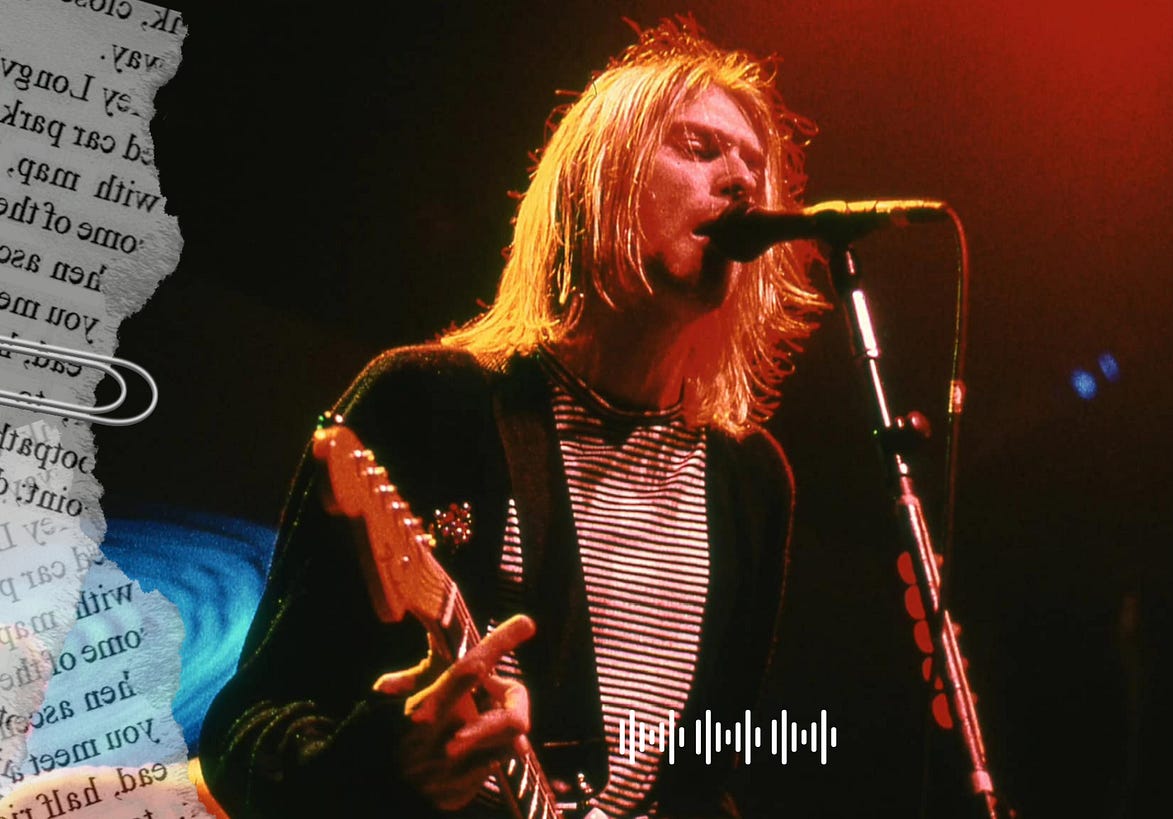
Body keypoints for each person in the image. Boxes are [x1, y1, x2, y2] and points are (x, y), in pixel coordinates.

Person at [200, 19, 825, 819]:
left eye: (754, 167)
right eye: (700, 148)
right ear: (599, 182)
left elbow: (705, 779)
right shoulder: (429, 404)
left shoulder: (749, 482)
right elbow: (246, 727)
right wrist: (386, 762)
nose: (740, 181)